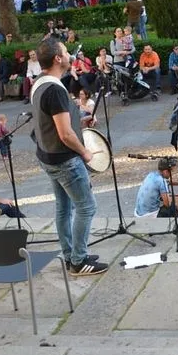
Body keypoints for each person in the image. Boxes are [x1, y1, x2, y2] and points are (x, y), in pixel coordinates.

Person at [28, 38, 104, 275]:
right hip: (65, 161)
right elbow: (64, 133)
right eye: (66, 51)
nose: (70, 54)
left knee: (64, 207)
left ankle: (70, 254)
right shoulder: (55, 90)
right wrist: (85, 152)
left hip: (47, 156)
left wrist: (80, 121)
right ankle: (79, 261)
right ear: (58, 59)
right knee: (86, 207)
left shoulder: (40, 83)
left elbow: (51, 121)